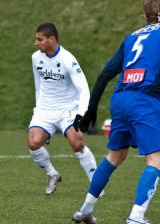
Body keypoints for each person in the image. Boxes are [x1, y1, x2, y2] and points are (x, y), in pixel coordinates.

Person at [72, 0, 160, 223]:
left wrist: (91, 110)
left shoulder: (132, 37)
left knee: (114, 157)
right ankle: (136, 217)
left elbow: (105, 74)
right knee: (157, 160)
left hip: (120, 100)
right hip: (144, 100)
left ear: (145, 16)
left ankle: (86, 210)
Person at [27, 23, 99, 196]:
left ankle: (96, 184)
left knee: (77, 142)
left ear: (52, 39)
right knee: (33, 143)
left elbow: (83, 88)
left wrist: (81, 115)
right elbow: (39, 85)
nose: (36, 43)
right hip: (45, 109)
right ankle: (52, 174)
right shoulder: (36, 58)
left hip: (68, 109)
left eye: (40, 39)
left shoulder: (68, 60)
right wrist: (38, 109)